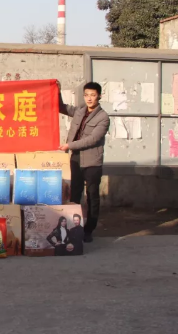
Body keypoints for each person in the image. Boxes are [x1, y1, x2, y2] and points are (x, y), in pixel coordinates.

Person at [58, 81, 110, 243]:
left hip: (92, 161)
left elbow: (92, 139)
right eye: (86, 95)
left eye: (93, 95)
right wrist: (57, 91)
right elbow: (61, 107)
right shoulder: (80, 110)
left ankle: (89, 230)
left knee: (92, 196)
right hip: (76, 158)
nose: (89, 98)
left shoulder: (103, 117)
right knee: (75, 194)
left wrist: (69, 145)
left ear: (99, 96)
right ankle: (73, 227)